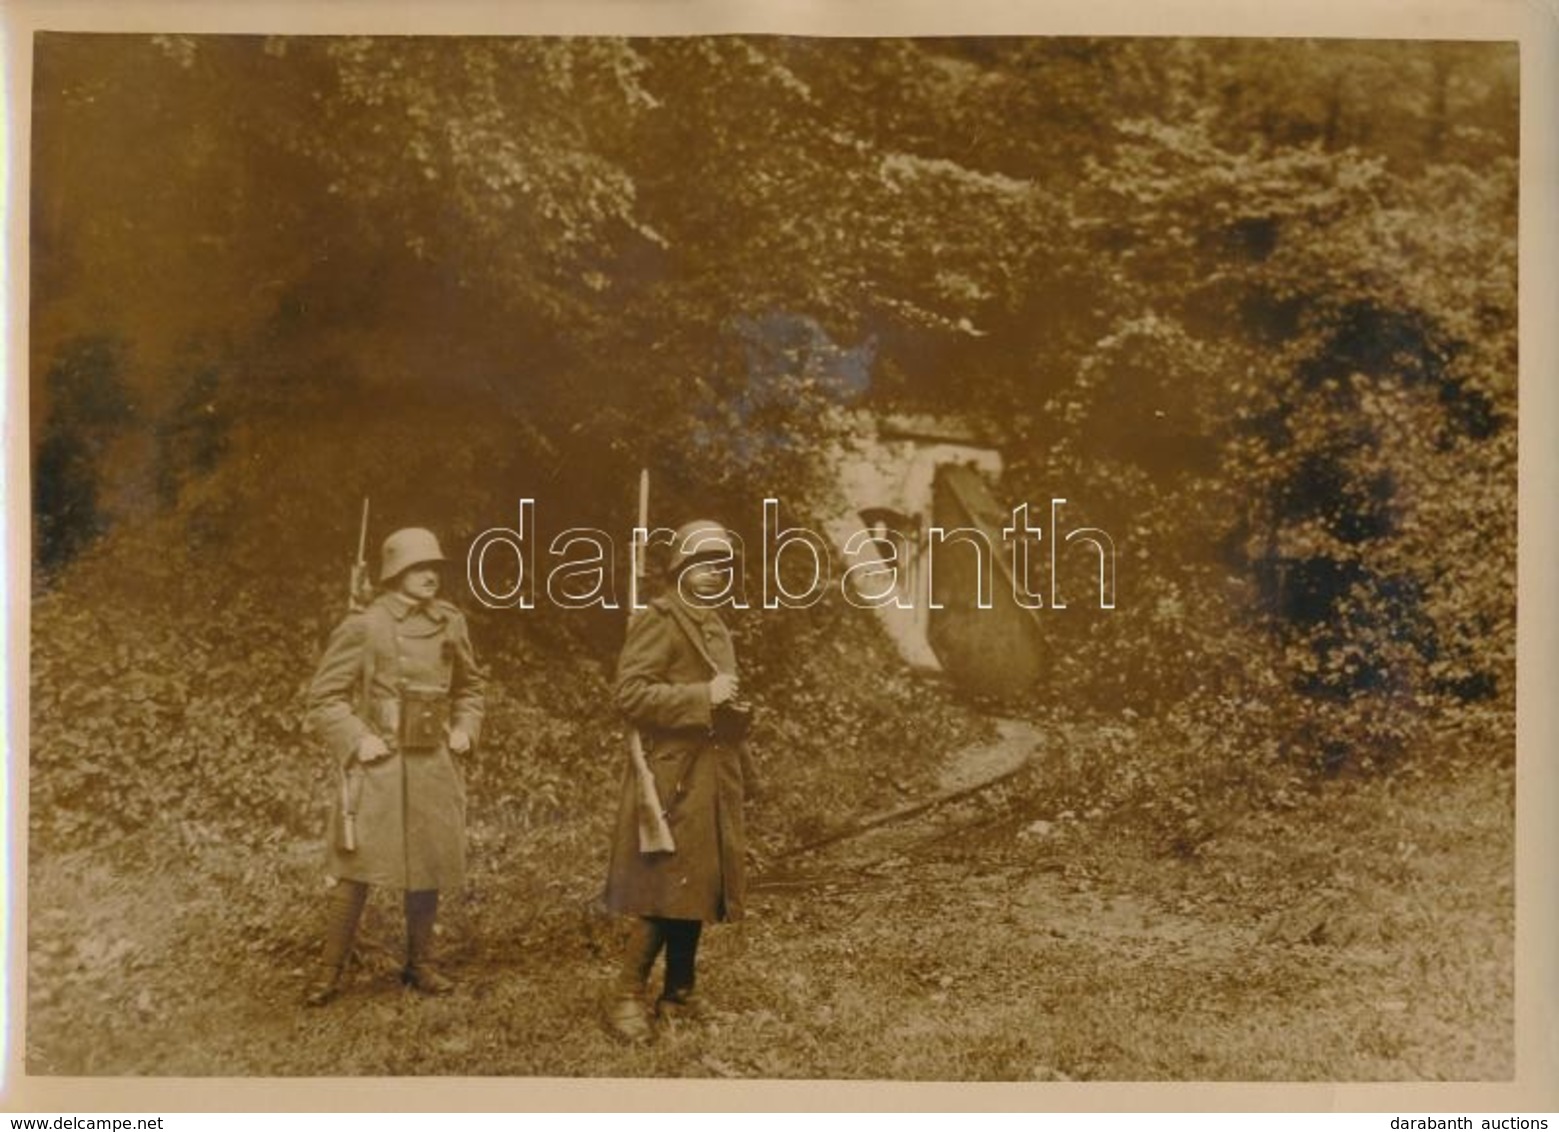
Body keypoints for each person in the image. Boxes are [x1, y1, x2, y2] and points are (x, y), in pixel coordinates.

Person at [301, 527, 485, 1007]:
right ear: (396, 572)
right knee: (355, 866)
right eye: (420, 568)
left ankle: (421, 963)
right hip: (380, 758)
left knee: (428, 863)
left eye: (435, 568)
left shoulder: (450, 622)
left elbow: (471, 686)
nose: (431, 576)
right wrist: (356, 739)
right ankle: (328, 971)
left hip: (432, 761)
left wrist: (466, 728)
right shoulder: (366, 625)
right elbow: (324, 698)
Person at [602, 519, 753, 1042]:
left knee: (699, 883)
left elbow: (720, 701)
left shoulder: (714, 625)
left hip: (713, 772)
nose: (713, 575)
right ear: (681, 570)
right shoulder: (660, 620)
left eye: (722, 566)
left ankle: (680, 989)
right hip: (670, 776)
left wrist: (734, 711)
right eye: (702, 565)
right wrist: (701, 699)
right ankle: (625, 994)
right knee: (666, 888)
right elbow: (630, 696)